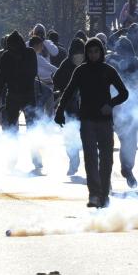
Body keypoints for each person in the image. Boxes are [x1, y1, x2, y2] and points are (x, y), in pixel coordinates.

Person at [55, 37, 129, 208]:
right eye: (90, 51)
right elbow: (68, 91)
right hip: (87, 119)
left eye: (96, 51)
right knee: (90, 158)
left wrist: (110, 104)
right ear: (86, 53)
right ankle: (94, 195)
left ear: (101, 52)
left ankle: (104, 194)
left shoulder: (108, 70)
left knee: (106, 159)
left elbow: (124, 93)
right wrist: (59, 110)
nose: (93, 54)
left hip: (104, 121)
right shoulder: (81, 71)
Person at [0, 30, 40, 168]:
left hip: (27, 94)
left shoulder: (30, 53)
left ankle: (36, 158)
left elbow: (33, 72)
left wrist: (18, 67)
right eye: (10, 46)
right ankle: (12, 159)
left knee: (33, 127)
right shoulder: (6, 56)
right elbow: (0, 79)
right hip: (13, 95)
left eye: (13, 46)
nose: (12, 48)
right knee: (11, 129)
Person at [106, 36, 138, 188]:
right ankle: (123, 170)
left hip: (116, 107)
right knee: (125, 142)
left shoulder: (110, 60)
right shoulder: (133, 62)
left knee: (114, 143)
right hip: (118, 107)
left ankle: (120, 171)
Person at [53, 38, 85, 176]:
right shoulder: (87, 61)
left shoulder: (66, 63)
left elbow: (56, 79)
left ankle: (74, 161)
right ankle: (80, 162)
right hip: (82, 105)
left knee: (71, 135)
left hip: (73, 105)